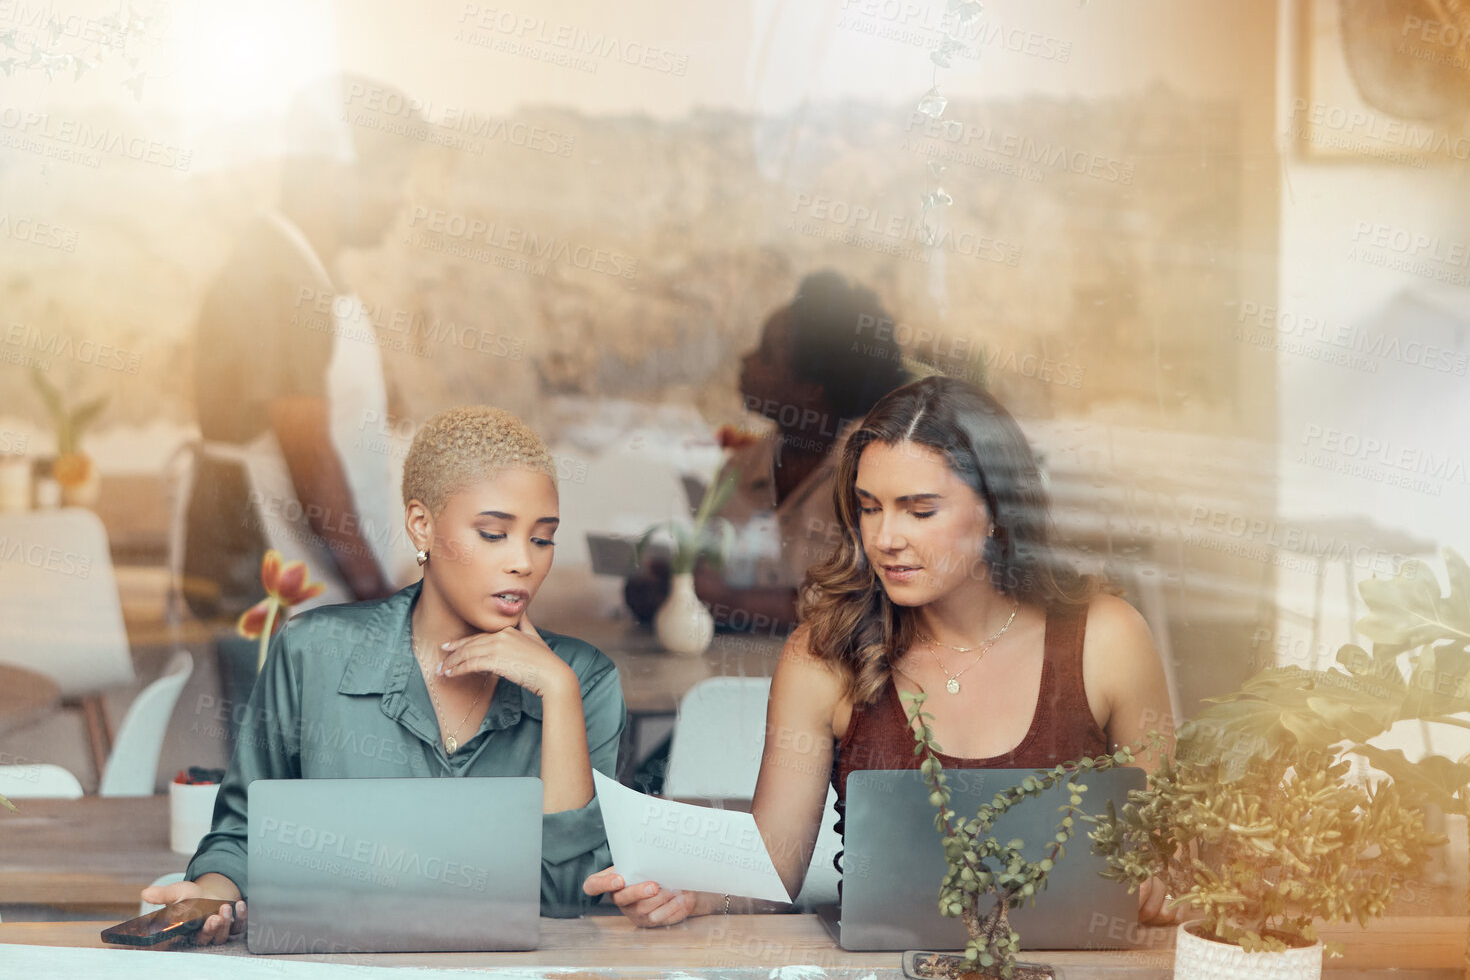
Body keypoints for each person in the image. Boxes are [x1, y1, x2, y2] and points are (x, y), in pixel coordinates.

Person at [587, 377, 1179, 926]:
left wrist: (1159, 884)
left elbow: (1167, 857)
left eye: (920, 511)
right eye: (870, 507)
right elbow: (772, 869)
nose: (885, 538)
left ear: (999, 511)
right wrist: (692, 892)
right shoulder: (823, 655)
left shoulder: (1106, 639)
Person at [145, 406, 627, 939]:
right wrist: (213, 893)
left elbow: (567, 897)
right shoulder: (313, 652)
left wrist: (559, 694)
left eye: (542, 538)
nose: (524, 563)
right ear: (421, 523)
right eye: (493, 533)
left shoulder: (585, 680)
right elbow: (244, 834)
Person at [184, 75, 421, 621]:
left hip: (317, 585)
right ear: (339, 177)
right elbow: (308, 452)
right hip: (282, 586)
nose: (400, 200)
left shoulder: (307, 267)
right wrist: (375, 597)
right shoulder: (277, 278)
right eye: (393, 178)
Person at [626, 271, 913, 635]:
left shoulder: (871, 471)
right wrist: (669, 585)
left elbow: (868, 604)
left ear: (811, 389)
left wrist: (730, 603)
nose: (746, 360)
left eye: (766, 353)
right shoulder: (741, 469)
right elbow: (709, 570)